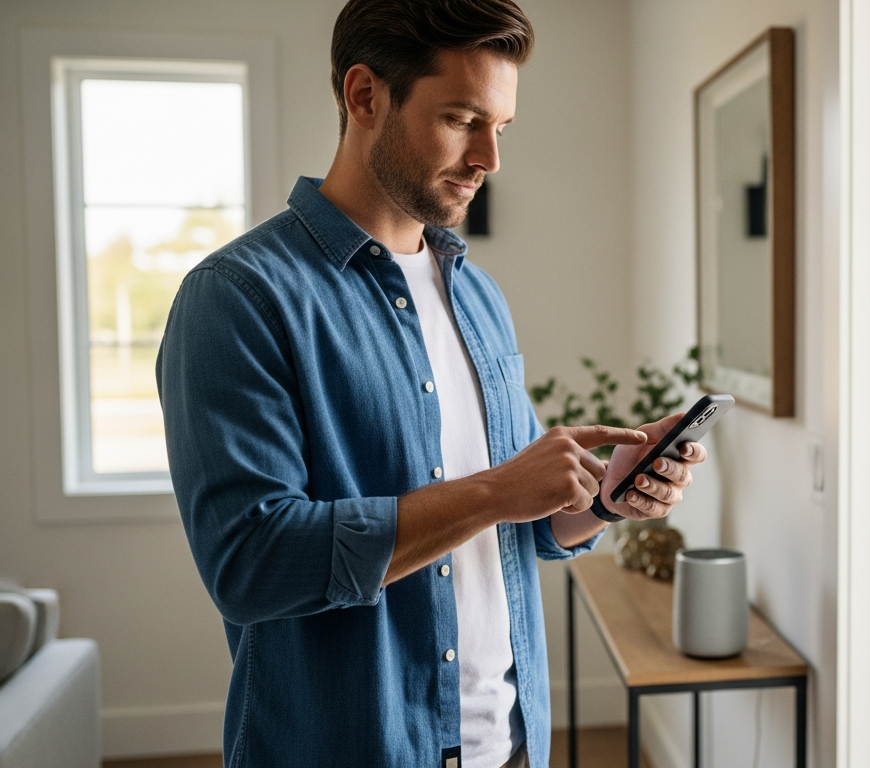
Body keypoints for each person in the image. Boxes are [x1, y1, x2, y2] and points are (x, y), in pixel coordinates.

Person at [156, 1, 705, 765]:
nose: (490, 157)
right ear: (364, 96)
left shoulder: (478, 297)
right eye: (462, 119)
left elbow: (525, 530)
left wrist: (603, 497)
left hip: (508, 744)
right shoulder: (239, 299)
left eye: (501, 128)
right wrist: (495, 490)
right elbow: (251, 565)